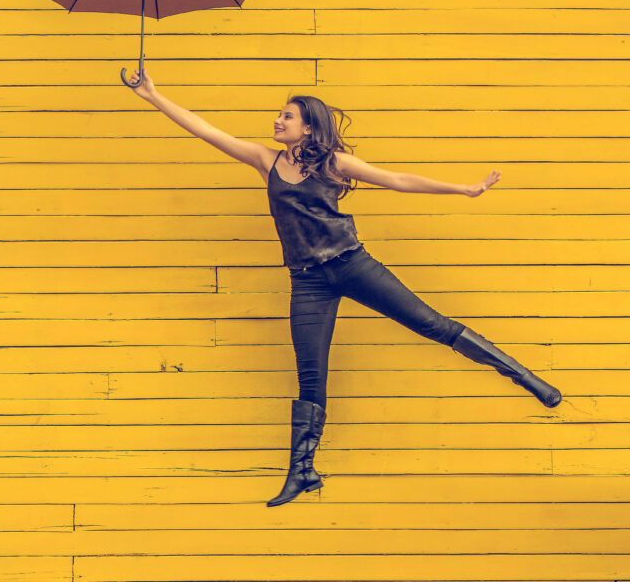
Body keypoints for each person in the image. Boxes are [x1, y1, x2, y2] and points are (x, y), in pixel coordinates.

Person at [125, 69, 561, 507]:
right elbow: (205, 130)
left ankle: (525, 377)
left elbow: (397, 179)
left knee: (432, 325)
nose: (277, 122)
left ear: (308, 127)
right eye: (279, 116)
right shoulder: (266, 160)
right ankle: (302, 472)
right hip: (307, 281)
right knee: (310, 377)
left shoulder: (333, 162)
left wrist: (465, 189)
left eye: (286, 116)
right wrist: (152, 95)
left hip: (352, 265)